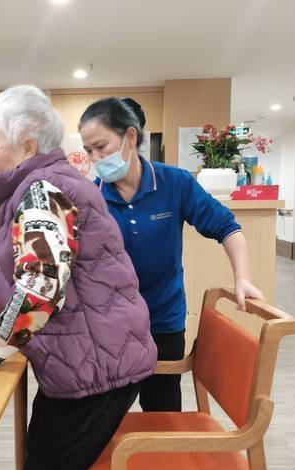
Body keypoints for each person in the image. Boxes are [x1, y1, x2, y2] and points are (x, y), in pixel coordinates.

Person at [0, 85, 156, 470]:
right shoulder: (52, 182)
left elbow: (40, 287)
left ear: (27, 146)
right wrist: (9, 318)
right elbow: (53, 280)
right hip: (89, 356)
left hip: (96, 368)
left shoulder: (44, 190)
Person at [78, 97, 265, 412]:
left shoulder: (174, 183)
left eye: (101, 147)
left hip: (163, 319)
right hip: (111, 323)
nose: (95, 159)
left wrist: (242, 277)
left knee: (162, 408)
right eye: (89, 151)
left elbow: (228, 229)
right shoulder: (90, 197)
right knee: (106, 415)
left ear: (130, 137)